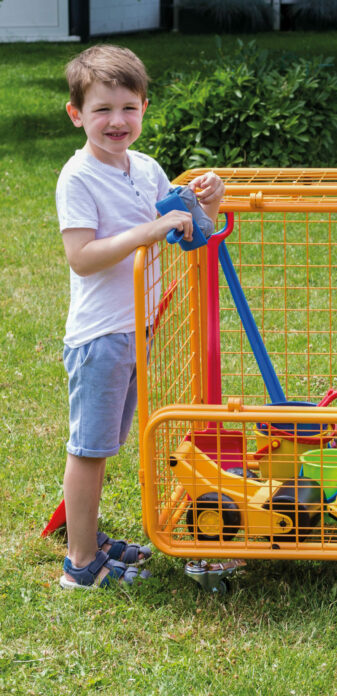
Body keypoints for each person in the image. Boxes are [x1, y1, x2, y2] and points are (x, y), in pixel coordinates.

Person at [55, 44, 225, 589]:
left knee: (108, 443)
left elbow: (191, 237)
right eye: (102, 110)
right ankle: (80, 564)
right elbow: (82, 257)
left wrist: (208, 204)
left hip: (137, 331)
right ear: (76, 114)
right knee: (90, 450)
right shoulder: (78, 178)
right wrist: (150, 230)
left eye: (128, 108)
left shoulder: (147, 169)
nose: (116, 121)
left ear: (144, 108)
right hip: (101, 337)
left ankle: (90, 537)